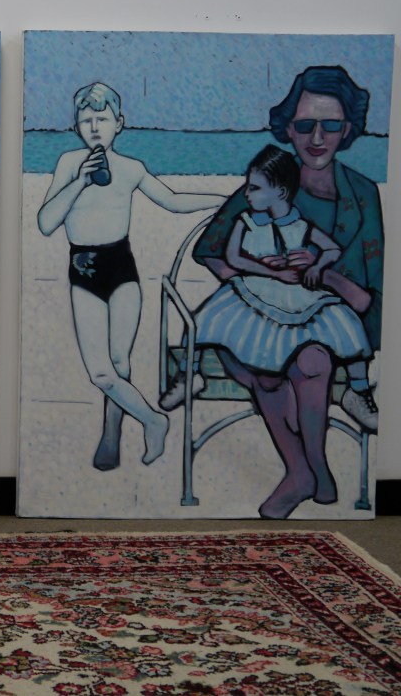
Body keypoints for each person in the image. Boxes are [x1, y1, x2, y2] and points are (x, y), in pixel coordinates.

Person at [190, 66, 383, 519]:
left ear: (348, 130)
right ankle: (307, 470)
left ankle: (306, 470)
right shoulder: (271, 179)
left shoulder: (362, 195)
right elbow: (211, 251)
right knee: (268, 367)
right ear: (288, 128)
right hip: (254, 324)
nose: (317, 138)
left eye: (330, 125)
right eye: (305, 124)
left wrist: (321, 274)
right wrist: (255, 282)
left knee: (312, 361)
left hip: (326, 325)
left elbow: (370, 298)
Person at [37, 83, 224, 471]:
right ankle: (153, 420)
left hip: (121, 267)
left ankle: (111, 435)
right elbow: (45, 222)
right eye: (86, 120)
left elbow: (172, 201)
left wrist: (224, 202)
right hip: (83, 269)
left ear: (119, 123)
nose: (94, 127)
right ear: (76, 126)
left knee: (120, 363)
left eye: (102, 119)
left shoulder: (131, 168)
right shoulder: (69, 163)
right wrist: (80, 181)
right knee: (102, 373)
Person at [167, 145, 374, 410]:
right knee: (205, 319)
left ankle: (358, 391)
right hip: (251, 290)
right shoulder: (246, 222)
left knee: (344, 323)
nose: (246, 194)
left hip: (297, 294)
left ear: (281, 192)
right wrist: (269, 270)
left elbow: (332, 249)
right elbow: (234, 259)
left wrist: (316, 267)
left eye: (254, 188)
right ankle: (188, 376)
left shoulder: (301, 226)